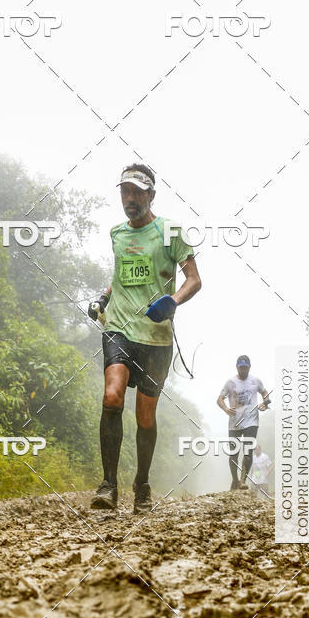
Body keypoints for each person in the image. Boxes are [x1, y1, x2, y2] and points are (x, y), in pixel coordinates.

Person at [89, 163, 201, 514]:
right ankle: (108, 485)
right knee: (112, 395)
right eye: (125, 191)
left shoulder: (170, 232)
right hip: (119, 327)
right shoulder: (117, 234)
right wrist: (103, 297)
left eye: (138, 192)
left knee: (146, 416)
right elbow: (120, 276)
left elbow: (194, 280)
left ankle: (143, 483)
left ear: (152, 195)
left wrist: (173, 301)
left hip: (155, 335)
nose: (130, 198)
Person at [217, 355, 270, 491]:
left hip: (252, 421)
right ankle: (235, 480)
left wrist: (265, 402)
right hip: (234, 422)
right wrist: (226, 409)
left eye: (245, 367)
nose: (243, 370)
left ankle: (243, 480)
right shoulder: (230, 382)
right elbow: (220, 399)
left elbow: (264, 392)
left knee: (248, 452)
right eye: (241, 367)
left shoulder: (255, 381)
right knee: (234, 452)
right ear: (237, 367)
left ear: (249, 367)